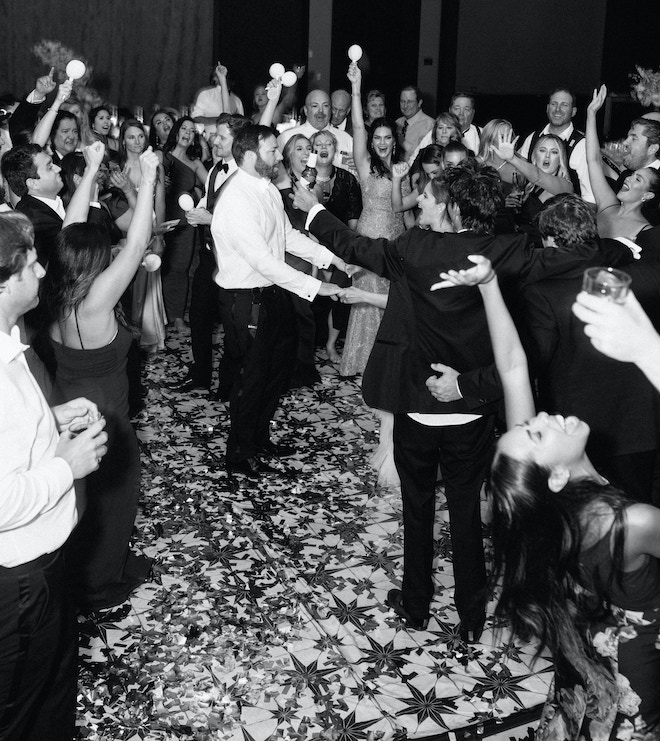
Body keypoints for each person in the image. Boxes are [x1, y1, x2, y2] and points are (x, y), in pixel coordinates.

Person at [435, 255, 660, 739]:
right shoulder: (633, 523)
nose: (543, 417)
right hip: (638, 677)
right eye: (537, 433)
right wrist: (649, 352)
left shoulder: (549, 509)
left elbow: (514, 367)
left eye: (529, 425)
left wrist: (490, 285)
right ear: (555, 475)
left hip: (582, 663)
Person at [0, 211, 108, 741]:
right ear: (4, 279)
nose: (43, 272)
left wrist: (53, 420)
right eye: (32, 264)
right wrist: (66, 466)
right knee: (19, 710)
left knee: (54, 693)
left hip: (45, 565)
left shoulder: (9, 341)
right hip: (19, 579)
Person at [38, 146, 160, 612]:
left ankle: (90, 571)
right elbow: (135, 247)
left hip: (68, 408)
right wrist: (147, 179)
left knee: (84, 499)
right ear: (94, 267)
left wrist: (89, 171)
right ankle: (101, 583)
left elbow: (69, 230)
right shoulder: (95, 301)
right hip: (105, 416)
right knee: (114, 500)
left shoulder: (55, 284)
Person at [210, 124, 345, 479]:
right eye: (272, 151)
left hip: (271, 293)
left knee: (278, 369)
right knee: (250, 377)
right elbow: (264, 261)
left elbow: (286, 237)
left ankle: (259, 437)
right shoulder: (237, 198)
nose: (278, 157)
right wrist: (316, 287)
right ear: (251, 155)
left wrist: (331, 259)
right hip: (245, 299)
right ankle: (239, 453)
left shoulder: (266, 188)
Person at [522, 194, 660, 503]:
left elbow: (531, 363)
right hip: (640, 426)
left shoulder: (541, 293)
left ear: (549, 242)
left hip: (579, 429)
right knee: (639, 515)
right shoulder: (642, 275)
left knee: (585, 522)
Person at [176, 112, 251, 395]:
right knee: (199, 316)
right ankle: (201, 374)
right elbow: (209, 202)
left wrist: (211, 220)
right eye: (214, 134)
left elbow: (246, 221)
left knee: (232, 324)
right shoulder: (215, 169)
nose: (212, 139)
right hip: (210, 255)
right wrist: (195, 211)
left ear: (238, 141)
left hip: (234, 258)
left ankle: (229, 382)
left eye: (220, 136)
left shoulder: (245, 175)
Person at [310, 128, 362, 363]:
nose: (323, 147)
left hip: (340, 247)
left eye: (328, 144)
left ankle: (331, 345)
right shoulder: (302, 179)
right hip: (309, 247)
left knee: (340, 293)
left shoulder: (347, 179)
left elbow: (353, 221)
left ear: (335, 149)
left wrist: (347, 251)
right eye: (318, 144)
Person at [586, 85, 660, 241]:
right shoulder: (608, 204)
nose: (625, 143)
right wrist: (591, 114)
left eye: (634, 138)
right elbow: (593, 160)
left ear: (652, 148)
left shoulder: (647, 231)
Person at [161, 116, 208, 331]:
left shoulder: (195, 163)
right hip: (162, 216)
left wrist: (199, 196)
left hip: (185, 221)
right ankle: (158, 316)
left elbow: (212, 186)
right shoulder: (161, 156)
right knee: (159, 265)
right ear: (176, 131)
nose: (187, 133)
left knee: (180, 267)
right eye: (184, 128)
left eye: (192, 131)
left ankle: (178, 316)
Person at [517, 87, 594, 202]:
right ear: (547, 108)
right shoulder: (533, 137)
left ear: (573, 112)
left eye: (564, 105)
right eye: (554, 104)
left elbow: (590, 197)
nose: (558, 109)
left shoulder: (581, 145)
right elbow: (519, 176)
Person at [276, 89, 353, 169]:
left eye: (325, 106)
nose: (321, 111)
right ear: (306, 110)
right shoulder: (286, 138)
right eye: (315, 106)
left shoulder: (346, 139)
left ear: (330, 110)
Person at [191, 62, 237, 139]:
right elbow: (195, 118)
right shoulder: (205, 94)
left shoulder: (237, 100)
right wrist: (222, 120)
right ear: (214, 78)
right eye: (217, 74)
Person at [395, 85, 434, 162]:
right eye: (402, 101)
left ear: (419, 103)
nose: (405, 106)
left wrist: (402, 142)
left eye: (410, 102)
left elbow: (427, 156)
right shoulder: (397, 122)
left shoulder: (430, 125)